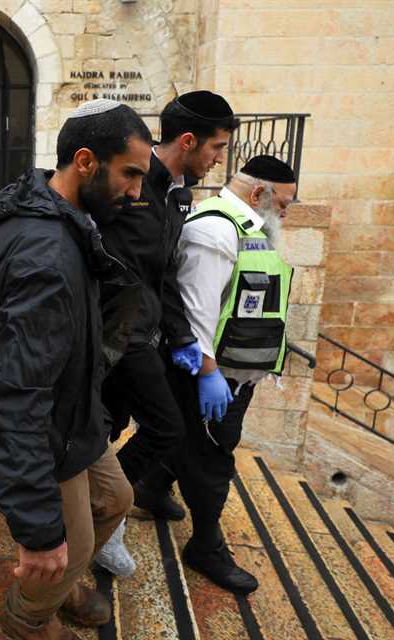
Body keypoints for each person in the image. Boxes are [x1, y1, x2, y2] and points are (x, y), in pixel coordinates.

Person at [0, 99, 150, 640]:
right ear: (86, 162)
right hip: (47, 429)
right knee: (72, 546)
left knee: (115, 500)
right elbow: (17, 394)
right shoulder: (44, 252)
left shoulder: (60, 215)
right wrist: (39, 531)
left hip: (75, 412)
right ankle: (28, 618)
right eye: (130, 174)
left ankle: (60, 584)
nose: (137, 192)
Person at [92, 91, 240, 576]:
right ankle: (104, 517)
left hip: (146, 331)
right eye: (216, 148)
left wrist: (181, 339)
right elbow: (133, 274)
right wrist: (169, 339)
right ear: (189, 140)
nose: (218, 161)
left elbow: (165, 275)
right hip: (121, 333)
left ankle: (98, 511)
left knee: (111, 425)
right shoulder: (138, 186)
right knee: (165, 427)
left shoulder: (176, 191)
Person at [168, 155, 298, 595]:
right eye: (282, 203)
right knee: (213, 461)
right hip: (212, 376)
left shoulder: (249, 229)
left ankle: (149, 490)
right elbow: (197, 310)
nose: (285, 213)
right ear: (259, 194)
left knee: (187, 442)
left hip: (234, 376)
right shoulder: (216, 228)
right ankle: (206, 546)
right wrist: (208, 373)